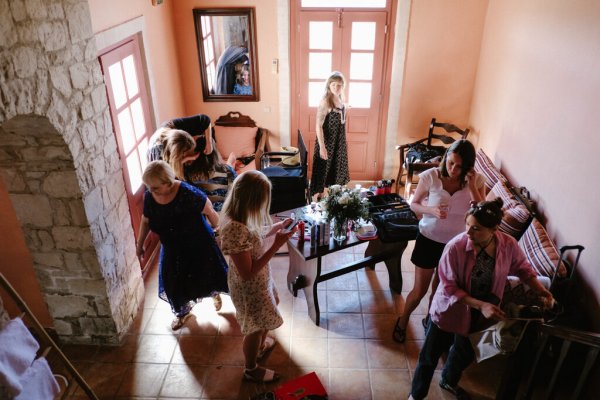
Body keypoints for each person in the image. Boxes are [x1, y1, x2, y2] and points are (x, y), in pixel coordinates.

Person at [409, 198, 555, 400]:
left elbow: (523, 269)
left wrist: (541, 291)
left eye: (476, 229)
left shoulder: (508, 245)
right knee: (429, 357)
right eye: (467, 225)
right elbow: (449, 287)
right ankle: (416, 395)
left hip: (482, 311)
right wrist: (481, 305)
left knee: (465, 352)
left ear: (494, 230)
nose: (468, 232)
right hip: (450, 308)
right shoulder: (455, 247)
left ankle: (448, 380)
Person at [393, 139, 486, 344]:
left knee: (439, 291)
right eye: (451, 162)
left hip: (455, 246)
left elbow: (482, 214)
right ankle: (403, 320)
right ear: (446, 158)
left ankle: (430, 320)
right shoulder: (431, 176)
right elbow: (414, 204)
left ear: (469, 167)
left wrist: (471, 186)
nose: (453, 169)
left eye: (460, 166)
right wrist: (431, 210)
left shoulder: (477, 181)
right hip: (429, 239)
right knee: (419, 291)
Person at [219, 170, 296, 383]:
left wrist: (276, 228)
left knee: (268, 311)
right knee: (255, 327)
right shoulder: (234, 228)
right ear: (252, 201)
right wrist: (277, 246)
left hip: (260, 280)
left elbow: (254, 235)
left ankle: (260, 347)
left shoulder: (243, 218)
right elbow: (247, 273)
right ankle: (251, 368)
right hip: (249, 286)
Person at [135, 161, 229, 331]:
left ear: (167, 183)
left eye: (154, 187)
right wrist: (140, 243)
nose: (150, 190)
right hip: (172, 247)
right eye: (149, 186)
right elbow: (145, 220)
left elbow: (212, 213)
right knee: (173, 282)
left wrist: (220, 235)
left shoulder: (188, 193)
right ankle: (182, 313)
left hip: (199, 244)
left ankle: (214, 292)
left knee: (206, 274)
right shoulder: (150, 196)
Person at [309, 71, 350, 200]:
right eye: (333, 85)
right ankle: (320, 197)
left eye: (339, 85)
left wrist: (346, 107)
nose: (336, 88)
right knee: (323, 170)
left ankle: (334, 197)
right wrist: (322, 147)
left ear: (343, 86)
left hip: (339, 141)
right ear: (328, 85)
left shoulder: (340, 99)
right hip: (327, 142)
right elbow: (318, 126)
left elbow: (340, 115)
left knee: (336, 168)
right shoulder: (325, 102)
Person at [185, 134, 237, 212]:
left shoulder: (186, 174)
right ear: (214, 151)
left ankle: (230, 162)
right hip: (223, 216)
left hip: (201, 218)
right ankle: (230, 162)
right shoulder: (228, 171)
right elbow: (236, 196)